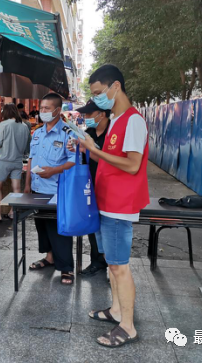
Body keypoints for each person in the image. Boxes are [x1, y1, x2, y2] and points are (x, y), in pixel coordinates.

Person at [74, 64, 149, 347]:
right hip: (106, 202)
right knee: (111, 263)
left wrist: (95, 149)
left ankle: (127, 326)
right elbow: (106, 161)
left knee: (119, 267)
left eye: (98, 92)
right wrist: (87, 149)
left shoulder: (133, 121)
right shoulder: (117, 120)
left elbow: (132, 165)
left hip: (119, 205)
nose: (97, 98)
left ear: (114, 86)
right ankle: (116, 310)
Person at [24, 93, 76, 285]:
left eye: (46, 108)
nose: (42, 112)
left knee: (59, 228)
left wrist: (54, 170)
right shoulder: (37, 133)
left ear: (57, 110)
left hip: (57, 190)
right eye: (41, 108)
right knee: (42, 225)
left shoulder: (68, 133)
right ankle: (49, 258)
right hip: (38, 188)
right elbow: (31, 159)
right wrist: (27, 184)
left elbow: (74, 161)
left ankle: (66, 268)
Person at [75, 101, 110, 276]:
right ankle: (97, 261)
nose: (86, 118)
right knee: (93, 224)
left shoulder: (113, 134)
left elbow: (111, 162)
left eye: (89, 115)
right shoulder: (87, 133)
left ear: (102, 114)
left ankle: (112, 264)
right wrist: (78, 150)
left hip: (109, 186)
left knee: (109, 226)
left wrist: (87, 150)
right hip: (90, 184)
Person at [0, 104, 30, 222]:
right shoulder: (24, 126)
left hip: (4, 160)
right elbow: (28, 147)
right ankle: (13, 212)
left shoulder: (4, 124)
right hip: (18, 161)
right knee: (16, 188)